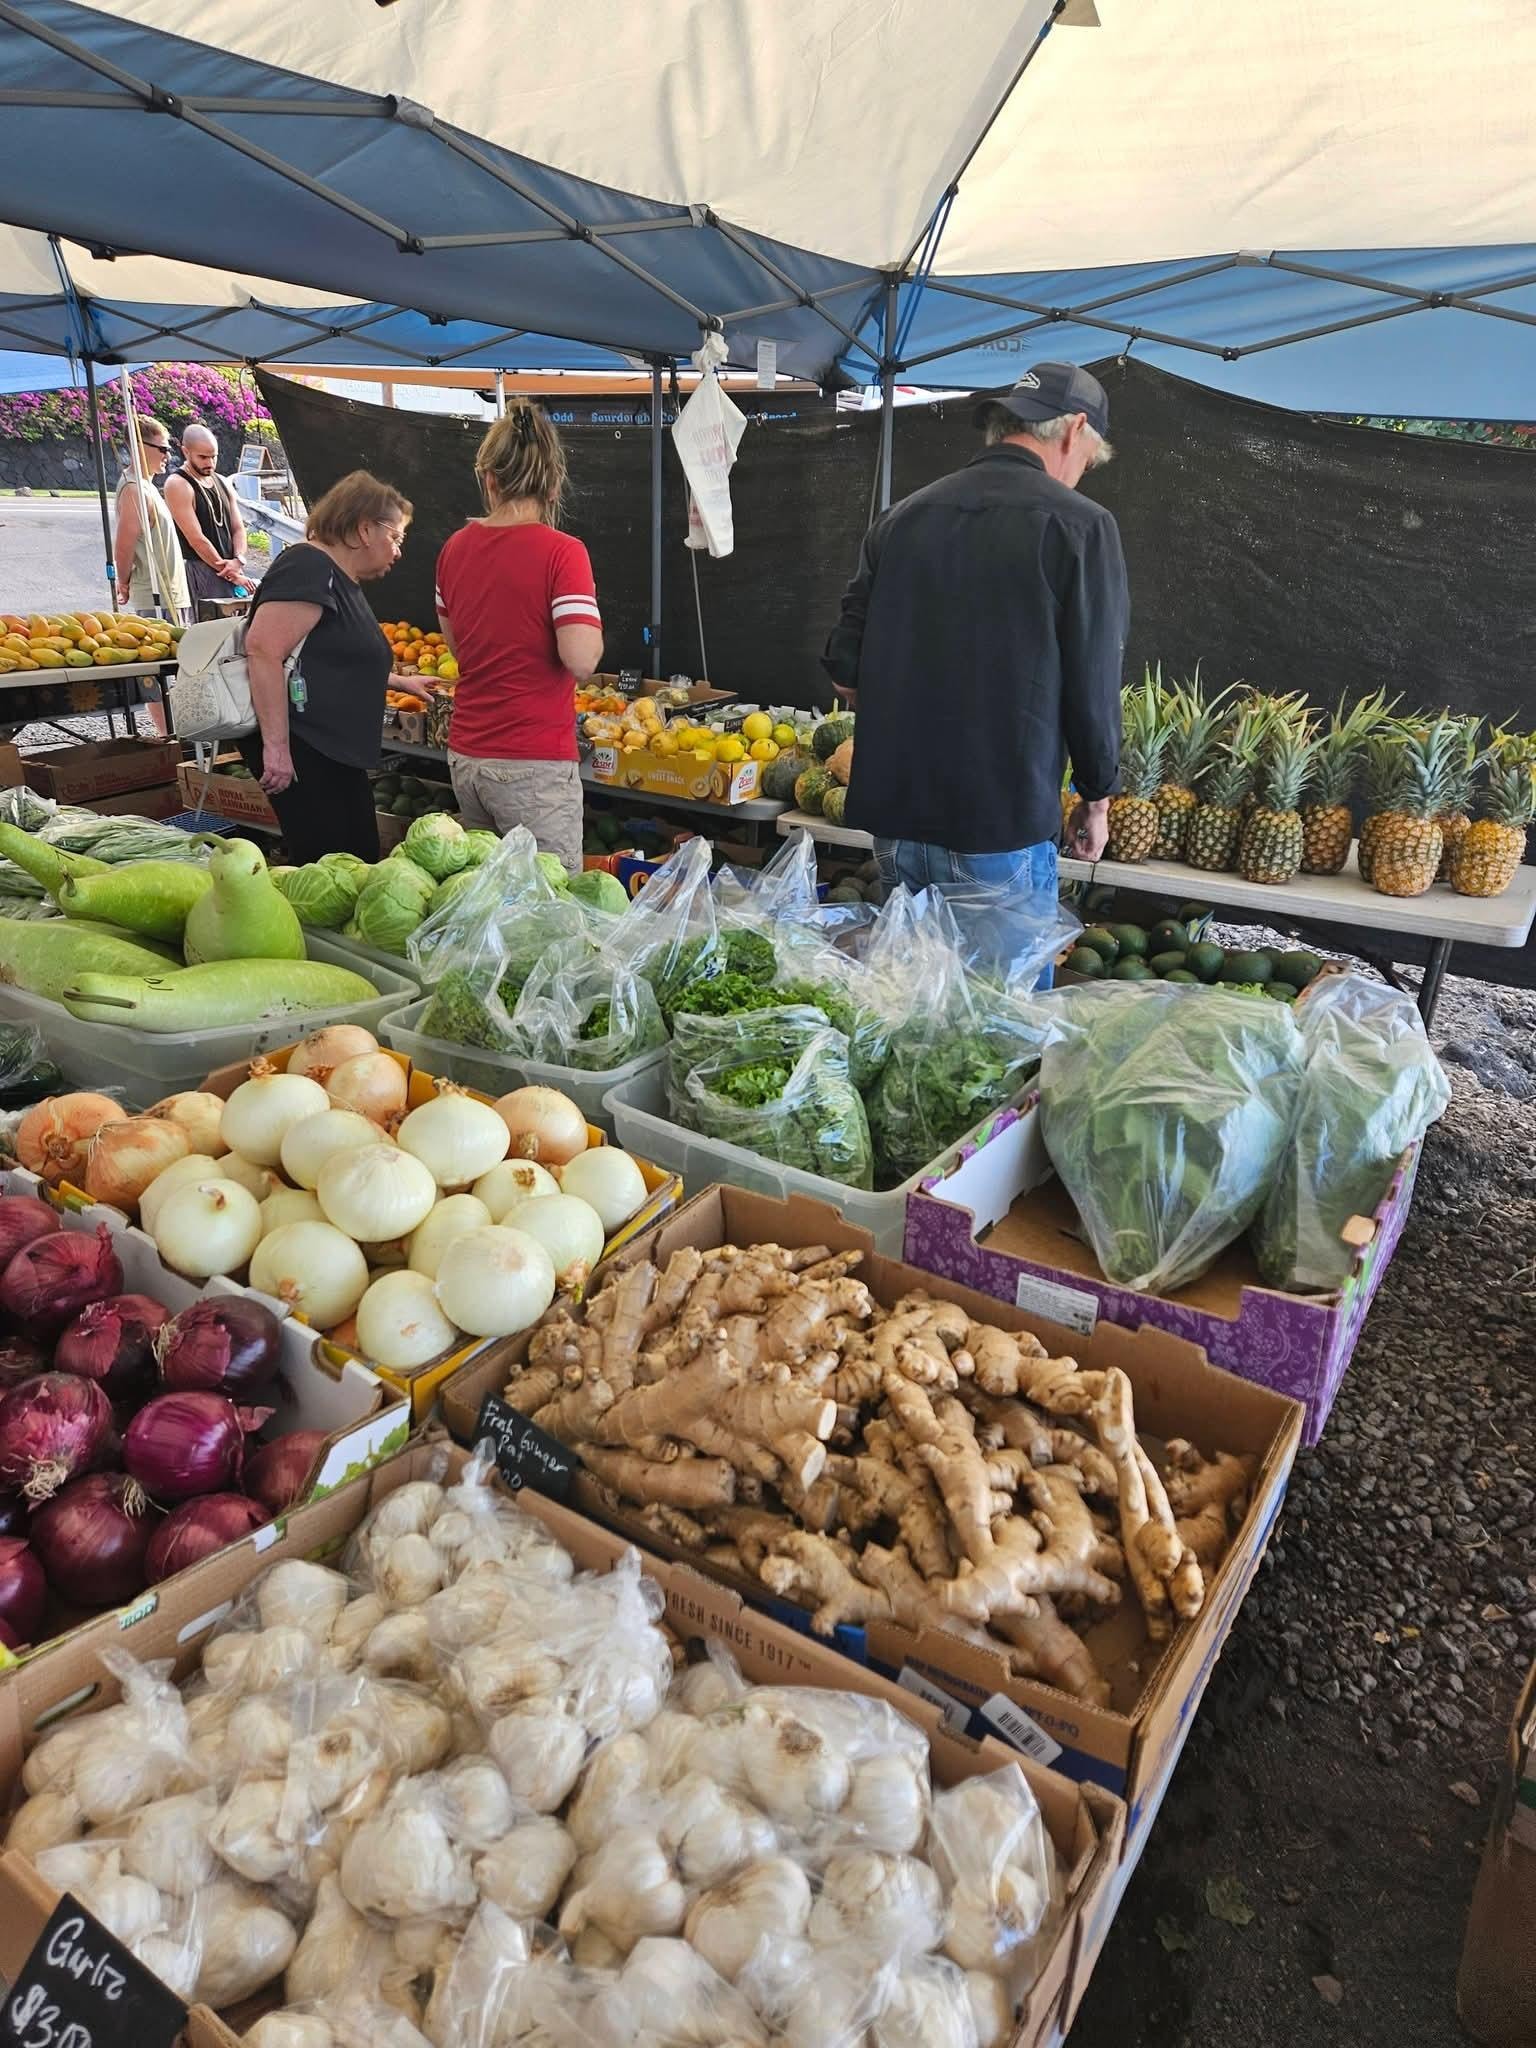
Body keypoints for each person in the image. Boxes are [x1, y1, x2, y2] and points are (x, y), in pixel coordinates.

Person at [822, 362, 1128, 906]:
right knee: (994, 992)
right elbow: (1093, 681)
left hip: (896, 819)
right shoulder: (1080, 525)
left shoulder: (901, 518)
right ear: (1076, 430)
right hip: (998, 822)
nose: (1081, 474)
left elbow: (844, 666)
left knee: (914, 987)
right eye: (1087, 462)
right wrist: (1096, 798)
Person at [433, 402, 603, 872]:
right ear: (553, 484)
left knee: (486, 902)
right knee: (550, 907)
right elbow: (582, 659)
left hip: (467, 756)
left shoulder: (454, 549)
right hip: (534, 763)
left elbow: (459, 650)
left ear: (489, 479)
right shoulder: (563, 553)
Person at [239, 470, 410, 863]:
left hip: (333, 753)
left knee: (356, 859)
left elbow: (328, 658)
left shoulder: (337, 576)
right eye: (395, 537)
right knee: (327, 865)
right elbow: (263, 649)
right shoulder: (309, 566)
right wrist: (278, 749)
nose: (398, 551)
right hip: (307, 750)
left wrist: (398, 680)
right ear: (365, 529)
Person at [112, 415, 190, 623]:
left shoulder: (147, 486)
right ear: (139, 447)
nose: (168, 456)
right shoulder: (134, 489)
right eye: (162, 449)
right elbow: (123, 545)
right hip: (156, 598)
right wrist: (123, 582)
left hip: (171, 596)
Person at [164, 423, 248, 613]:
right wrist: (231, 573)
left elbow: (238, 528)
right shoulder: (178, 484)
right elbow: (196, 539)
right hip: (200, 570)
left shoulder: (222, 481)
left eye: (213, 457)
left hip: (230, 568)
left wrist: (238, 560)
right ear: (186, 452)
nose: (209, 463)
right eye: (202, 457)